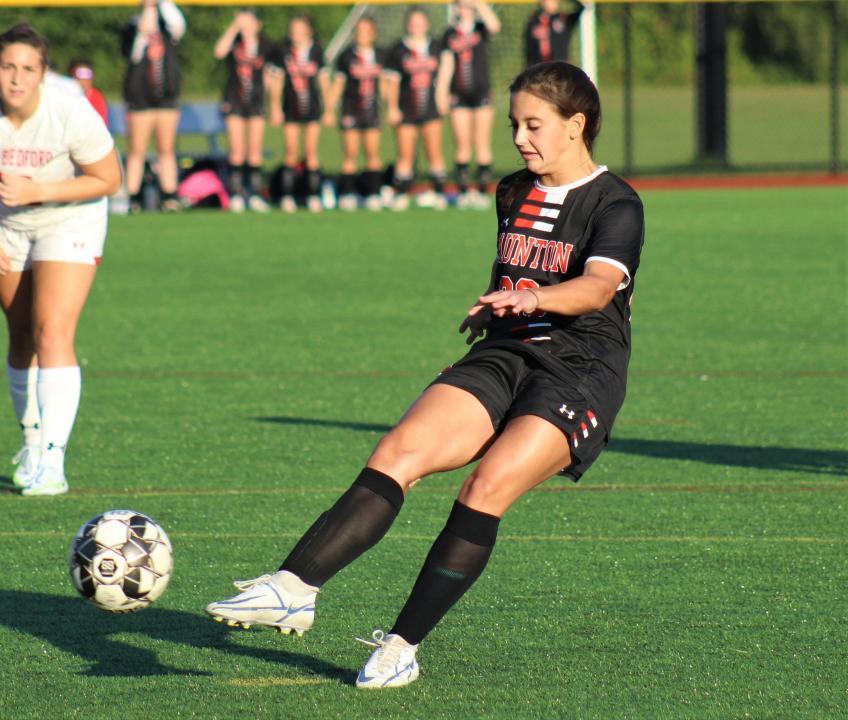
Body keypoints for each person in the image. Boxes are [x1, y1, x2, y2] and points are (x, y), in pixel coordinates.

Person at [205, 61, 645, 688]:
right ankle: (292, 587)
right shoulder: (513, 191)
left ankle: (400, 648)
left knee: (484, 489)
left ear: (576, 126)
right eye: (514, 123)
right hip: (505, 351)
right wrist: (493, 311)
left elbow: (597, 288)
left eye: (534, 124)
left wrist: (533, 300)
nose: (520, 137)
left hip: (581, 369)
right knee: (398, 451)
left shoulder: (616, 202)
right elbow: (514, 274)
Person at [0, 24, 121, 496]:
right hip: (8, 228)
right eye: (7, 67)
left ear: (43, 73)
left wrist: (39, 190)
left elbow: (109, 178)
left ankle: (54, 463)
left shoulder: (69, 110)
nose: (16, 79)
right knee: (21, 337)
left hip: (71, 221)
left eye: (27, 69)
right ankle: (32, 442)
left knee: (52, 331)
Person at [121, 0, 186, 212]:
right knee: (137, 150)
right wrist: (143, 27)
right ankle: (133, 197)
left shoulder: (167, 26)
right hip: (140, 99)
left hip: (165, 99)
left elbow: (179, 24)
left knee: (166, 149)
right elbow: (132, 54)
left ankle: (169, 196)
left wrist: (159, 4)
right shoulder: (132, 27)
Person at [385, 6, 452, 211]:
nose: (416, 26)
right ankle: (402, 193)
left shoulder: (436, 46)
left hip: (430, 108)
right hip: (407, 108)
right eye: (413, 23)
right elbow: (393, 82)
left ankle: (439, 193)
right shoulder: (399, 49)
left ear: (427, 24)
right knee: (405, 154)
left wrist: (443, 94)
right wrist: (393, 107)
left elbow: (447, 68)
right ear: (408, 24)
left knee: (434, 152)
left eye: (420, 22)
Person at [441, 0, 500, 209]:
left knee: (482, 143)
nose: (464, 7)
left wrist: (479, 5)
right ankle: (464, 191)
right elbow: (447, 65)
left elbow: (495, 26)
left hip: (481, 92)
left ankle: (483, 192)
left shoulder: (480, 28)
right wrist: (442, 93)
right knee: (462, 145)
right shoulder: (449, 34)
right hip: (459, 95)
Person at [268, 14, 330, 213]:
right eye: (293, 30)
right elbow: (277, 82)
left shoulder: (317, 51)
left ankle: (313, 196)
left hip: (312, 108)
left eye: (299, 29)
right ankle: (287, 196)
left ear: (308, 31)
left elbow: (323, 82)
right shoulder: (284, 51)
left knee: (311, 153)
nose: (295, 34)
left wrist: (328, 108)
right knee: (291, 153)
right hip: (290, 107)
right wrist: (275, 107)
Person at [214, 9, 273, 213]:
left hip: (255, 102)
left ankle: (255, 194)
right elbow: (219, 52)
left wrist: (271, 103)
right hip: (234, 100)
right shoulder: (234, 44)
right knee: (237, 151)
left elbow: (269, 76)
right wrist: (234, 28)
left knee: (254, 150)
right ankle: (237, 194)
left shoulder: (265, 45)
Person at [326, 15, 385, 212]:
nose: (362, 36)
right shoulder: (347, 56)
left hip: (371, 109)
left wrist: (391, 105)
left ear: (373, 34)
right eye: (359, 32)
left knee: (372, 152)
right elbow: (339, 83)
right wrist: (329, 108)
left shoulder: (380, 55)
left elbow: (385, 84)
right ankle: (348, 193)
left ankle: (374, 193)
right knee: (350, 153)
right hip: (351, 109)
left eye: (366, 32)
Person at [525, 0, 585, 66]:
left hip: (560, 66)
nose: (553, 3)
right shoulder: (534, 21)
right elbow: (529, 48)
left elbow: (581, 7)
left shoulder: (564, 19)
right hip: (539, 67)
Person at [68, 58, 109, 126]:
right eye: (79, 76)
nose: (83, 81)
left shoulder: (97, 97)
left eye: (87, 76)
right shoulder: (65, 97)